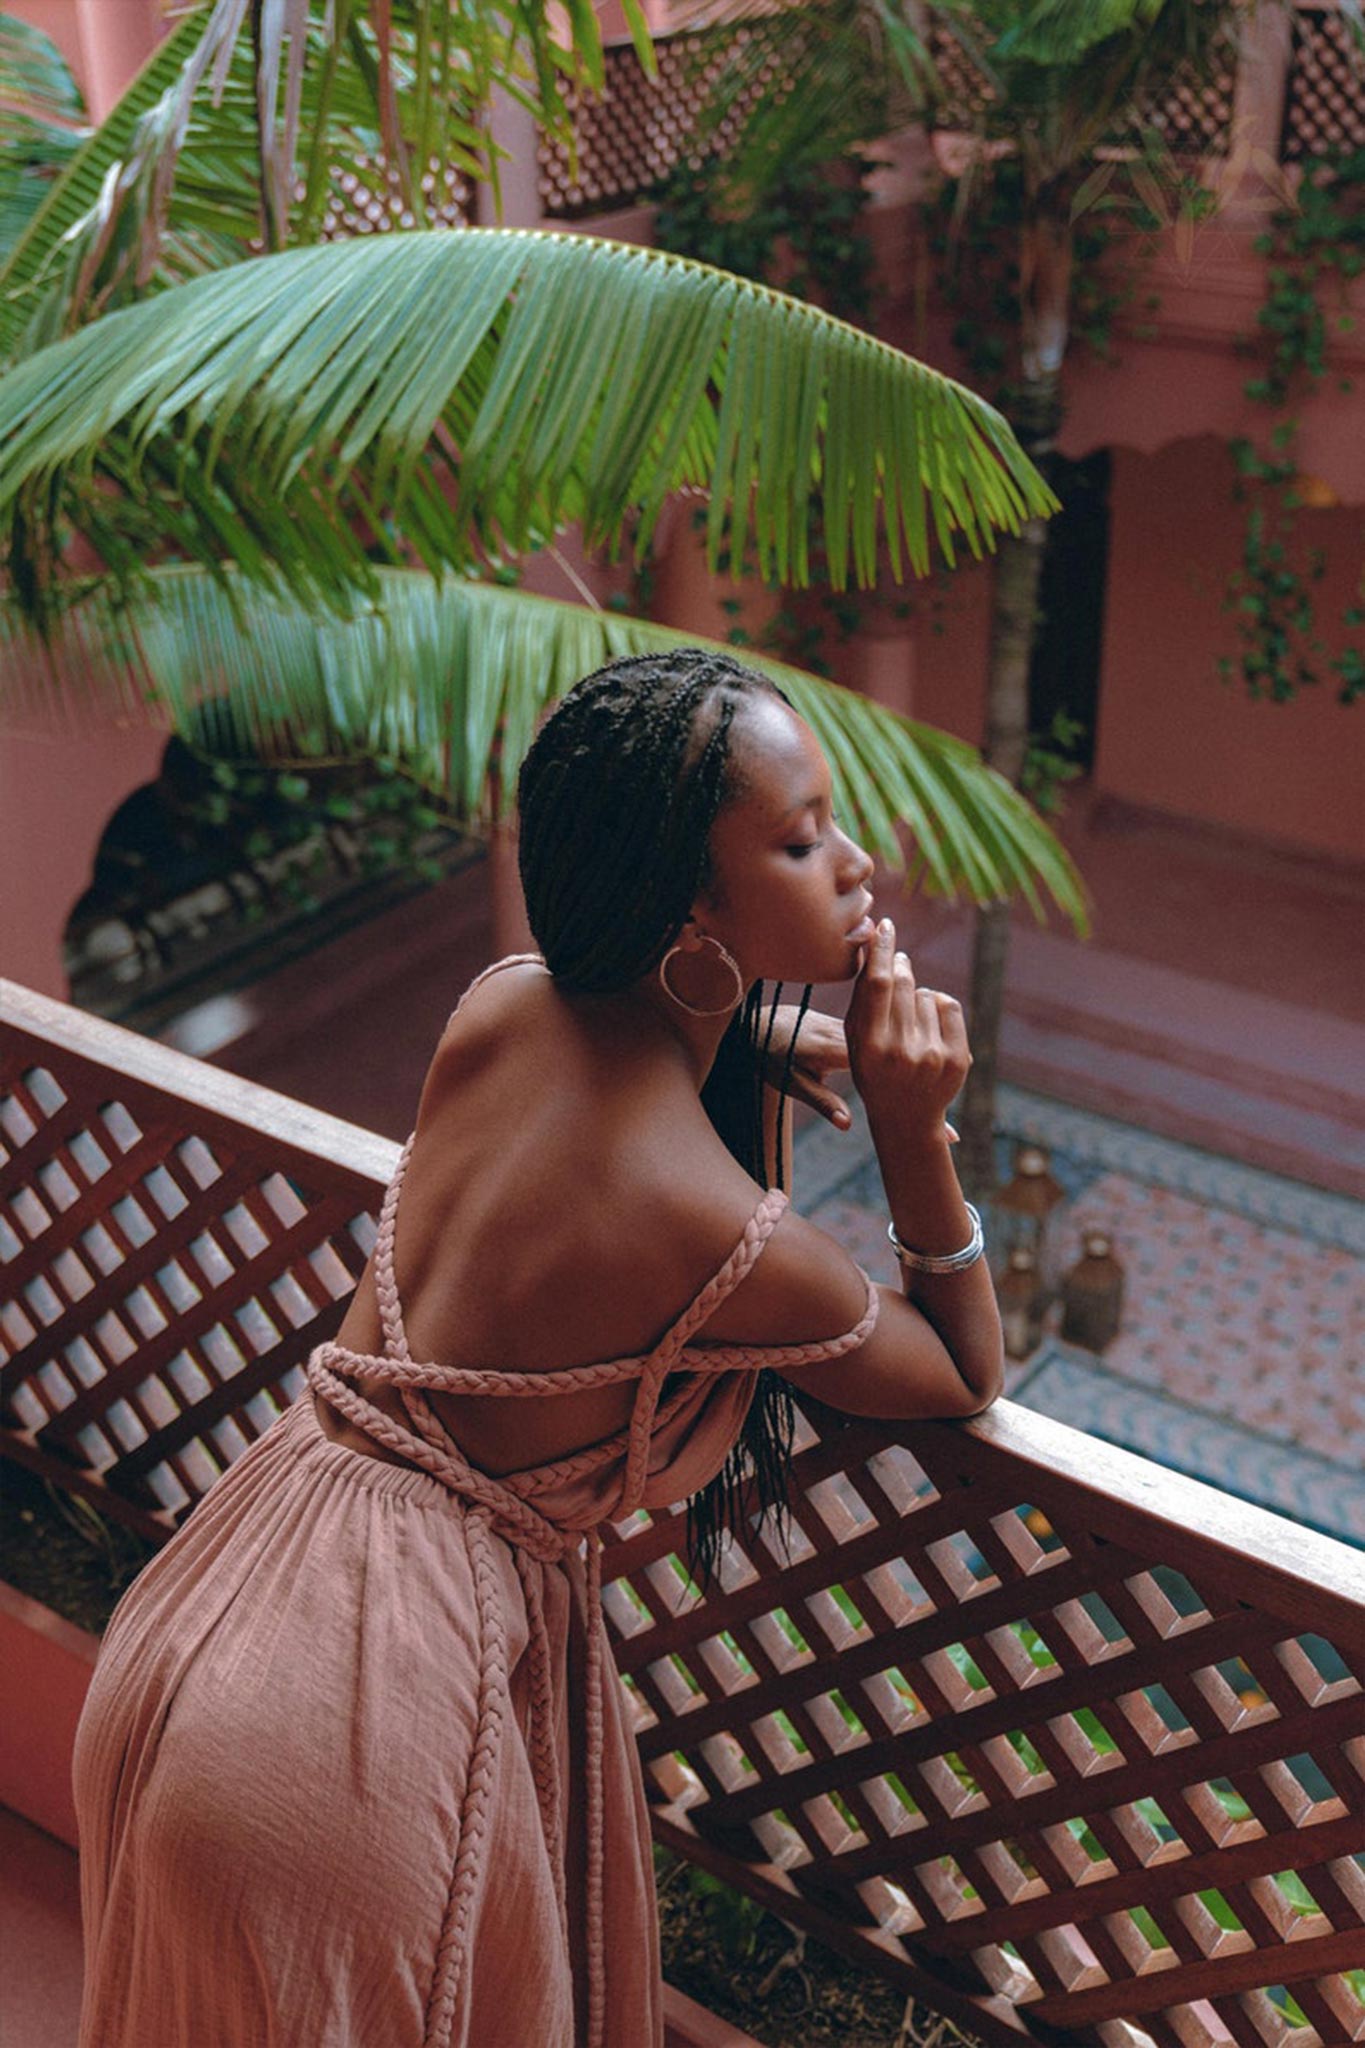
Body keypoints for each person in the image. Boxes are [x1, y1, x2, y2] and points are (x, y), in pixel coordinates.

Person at [72, 648, 1004, 2048]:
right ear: (690, 906)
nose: (857, 864)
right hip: (351, 1718)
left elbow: (609, 1086)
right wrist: (909, 1130)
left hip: (217, 1602)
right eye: (803, 841)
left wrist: (746, 1028)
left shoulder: (499, 1006)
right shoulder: (712, 1227)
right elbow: (962, 1370)